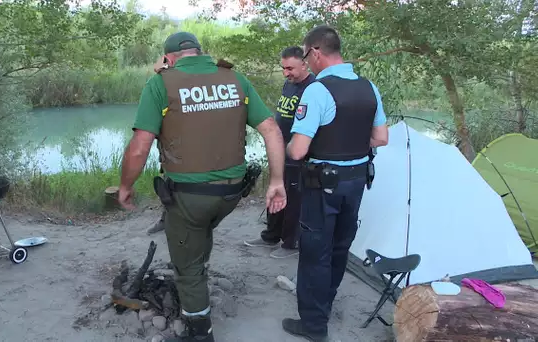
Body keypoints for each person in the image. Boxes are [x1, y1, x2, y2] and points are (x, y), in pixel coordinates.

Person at [118, 31, 288, 342]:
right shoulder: (235, 79)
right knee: (201, 230)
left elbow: (140, 146)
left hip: (190, 196)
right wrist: (277, 181)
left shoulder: (160, 84)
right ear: (200, 52)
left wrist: (125, 185)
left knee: (187, 263)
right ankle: (200, 267)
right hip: (232, 193)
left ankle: (199, 332)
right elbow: (272, 130)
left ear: (169, 59)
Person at [281, 25, 389, 341]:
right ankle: (324, 304)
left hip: (322, 186)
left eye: (305, 56)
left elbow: (299, 150)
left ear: (315, 52)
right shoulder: (369, 87)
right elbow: (381, 138)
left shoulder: (317, 90)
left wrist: (287, 145)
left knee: (316, 250)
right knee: (340, 247)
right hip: (356, 182)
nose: (307, 62)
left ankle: (314, 325)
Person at [243, 46, 316, 259]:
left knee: (294, 200)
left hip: (298, 154)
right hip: (279, 151)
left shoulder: (313, 88)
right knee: (275, 192)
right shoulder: (289, 84)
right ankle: (270, 236)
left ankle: (290, 244)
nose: (286, 73)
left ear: (305, 63)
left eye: (290, 68)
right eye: (283, 68)